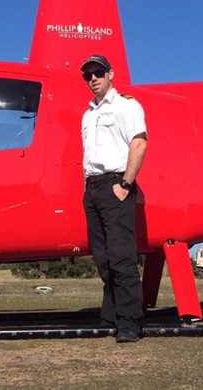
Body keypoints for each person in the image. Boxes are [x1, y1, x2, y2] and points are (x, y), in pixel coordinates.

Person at [80, 54, 148, 343]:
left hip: (115, 185)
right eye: (87, 75)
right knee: (103, 258)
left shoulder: (126, 106)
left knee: (122, 257)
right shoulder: (88, 113)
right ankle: (111, 315)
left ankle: (130, 323)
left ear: (110, 74)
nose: (92, 78)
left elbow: (139, 141)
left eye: (97, 72)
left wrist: (125, 184)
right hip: (93, 188)